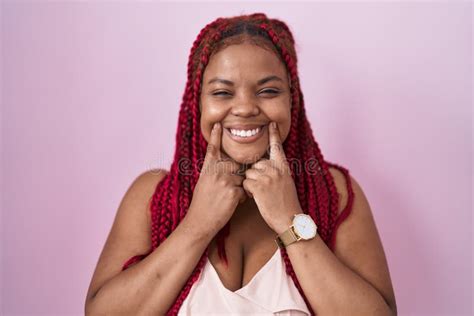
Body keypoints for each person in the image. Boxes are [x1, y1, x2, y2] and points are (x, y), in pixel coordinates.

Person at [85, 13, 397, 316]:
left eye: (269, 91)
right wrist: (198, 223)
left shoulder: (334, 192)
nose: (246, 107)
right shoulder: (153, 194)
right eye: (222, 92)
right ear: (198, 103)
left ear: (293, 99)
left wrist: (290, 220)